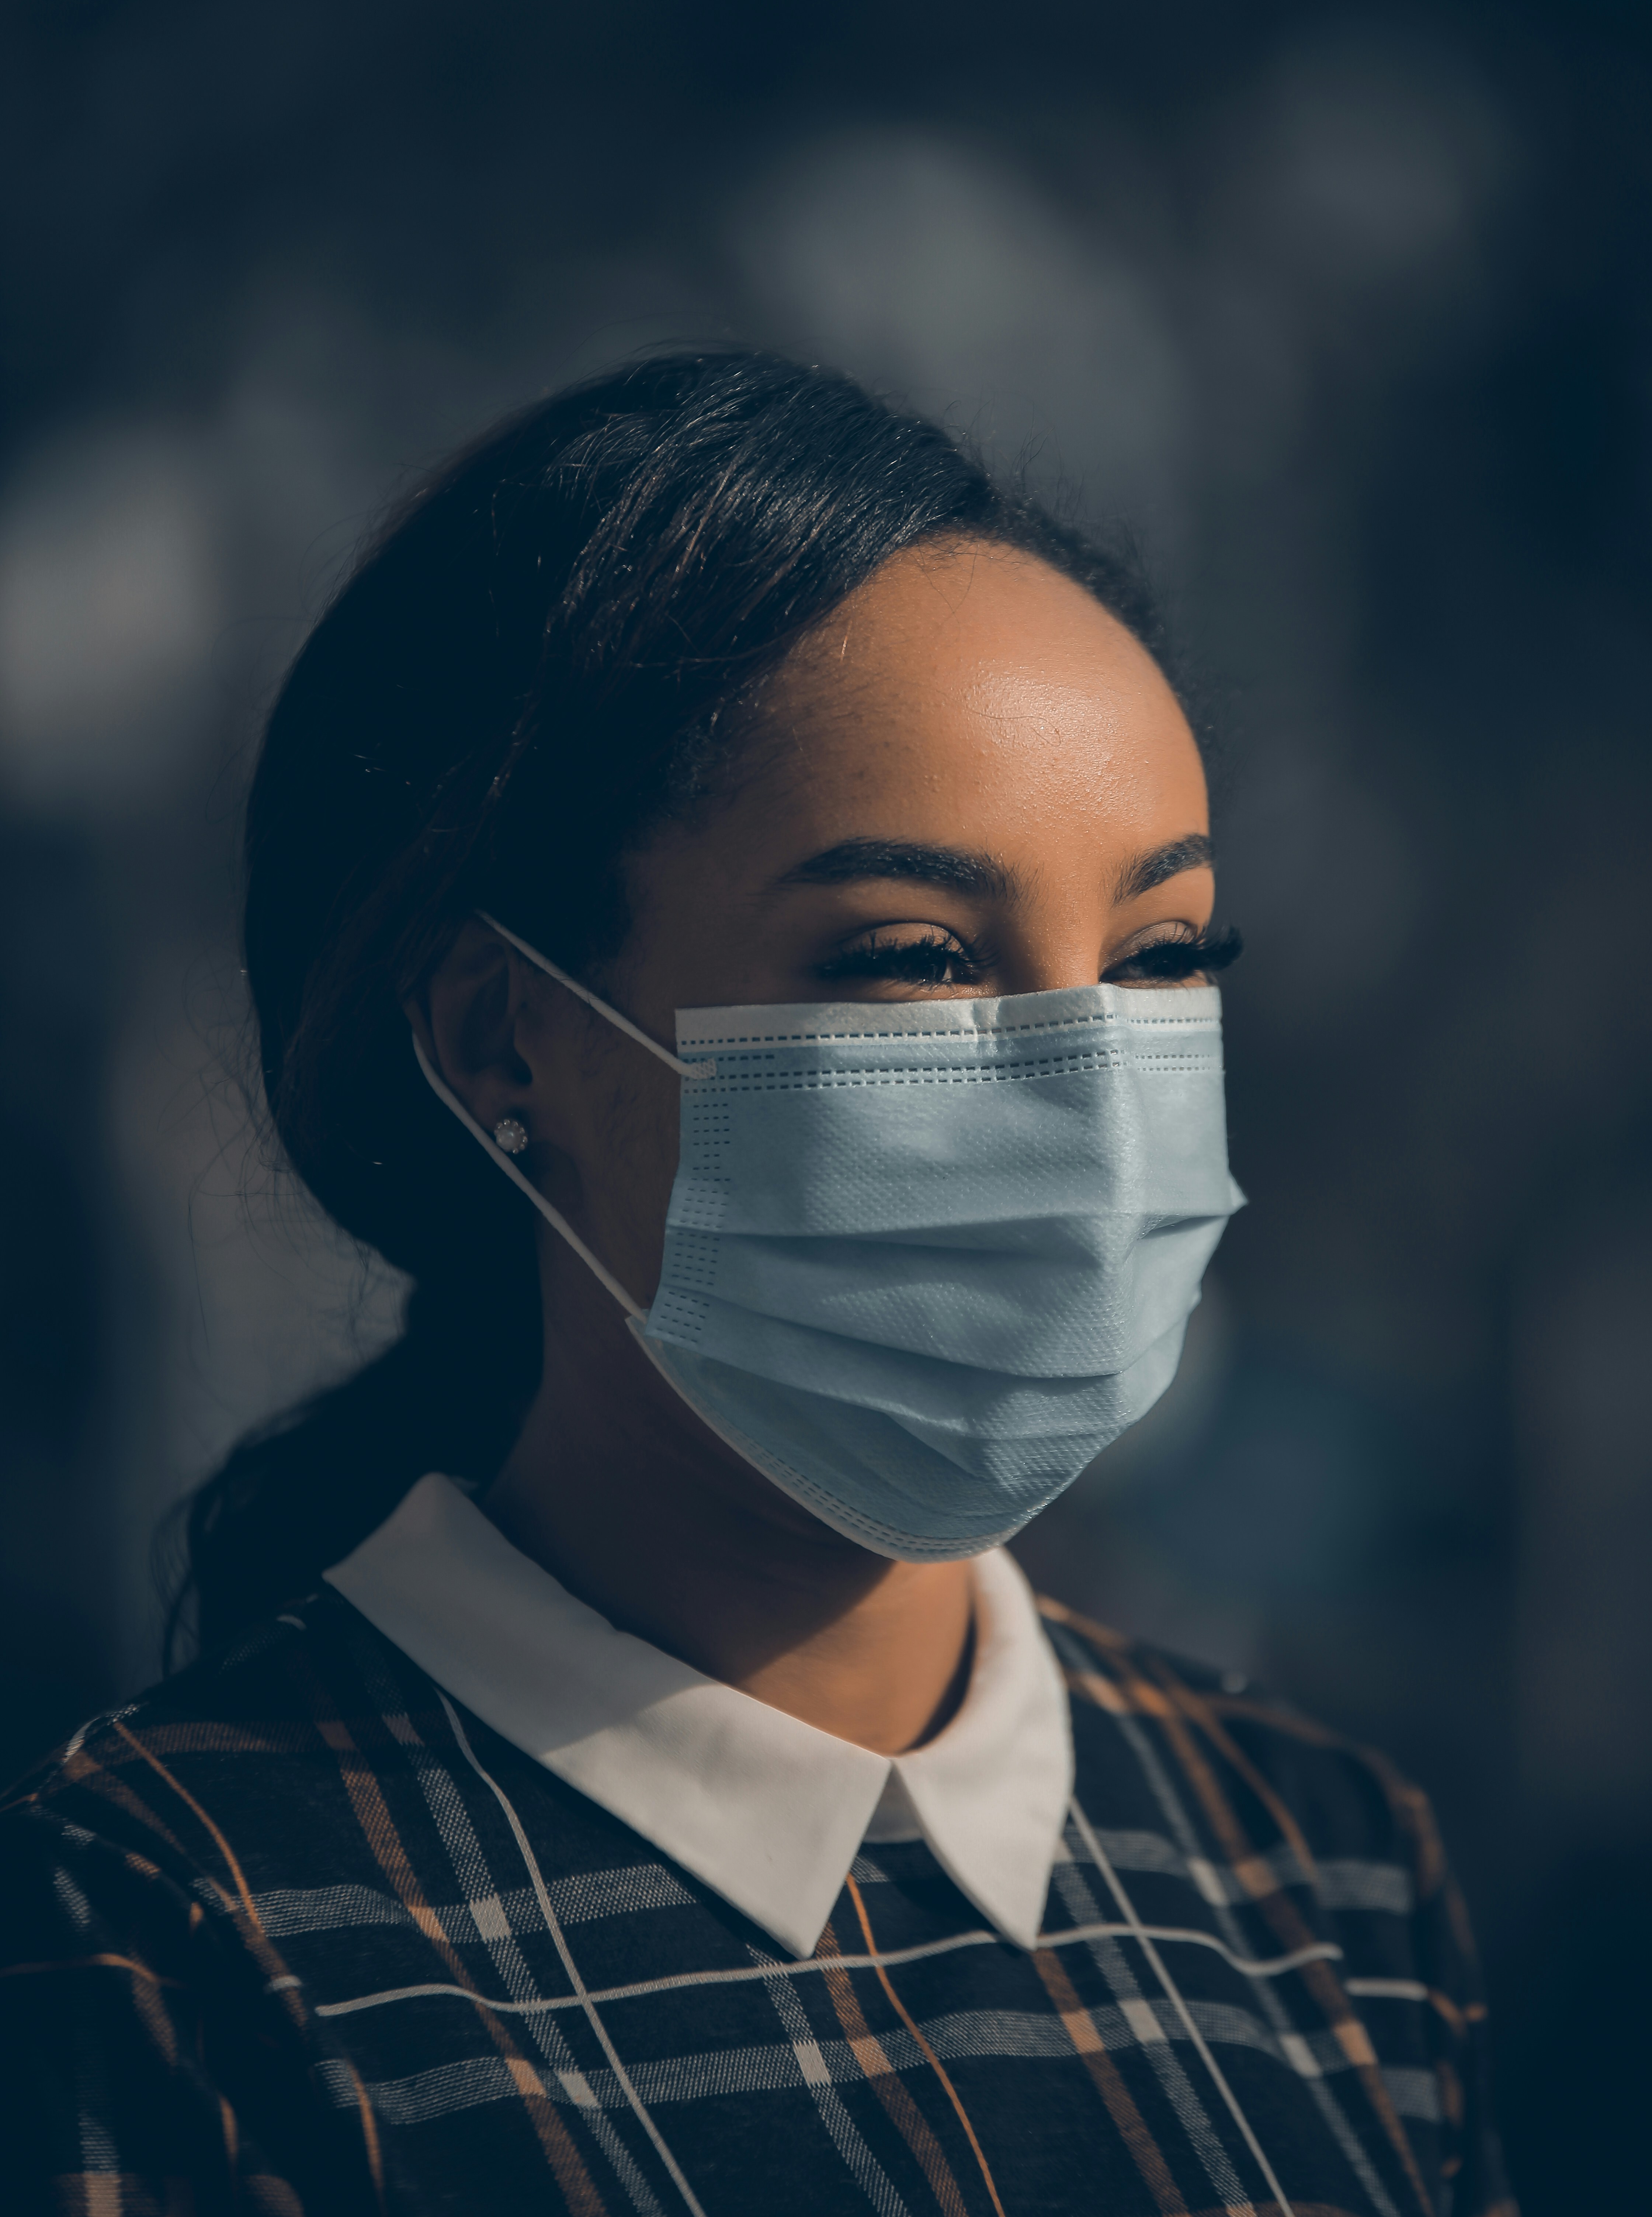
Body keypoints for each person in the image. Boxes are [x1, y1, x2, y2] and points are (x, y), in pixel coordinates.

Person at [0, 353, 1513, 2215]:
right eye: (914, 956)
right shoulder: (164, 1940)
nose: (1093, 1103)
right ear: (502, 1038)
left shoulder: (1323, 1870)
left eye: (1160, 955)